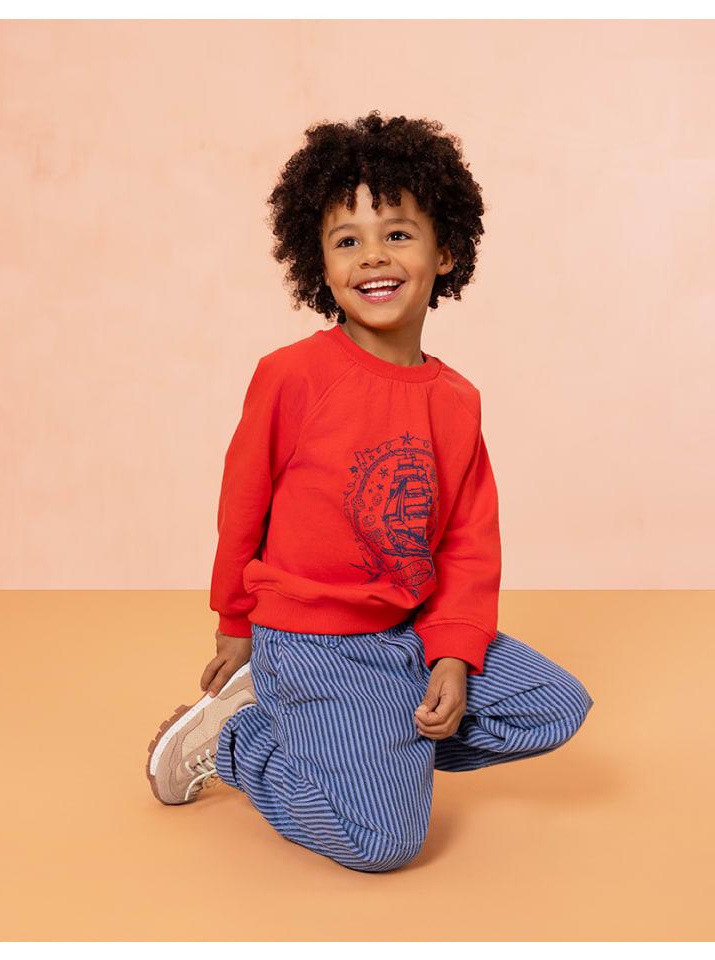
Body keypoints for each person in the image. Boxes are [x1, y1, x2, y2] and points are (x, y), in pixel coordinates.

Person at [145, 110, 594, 872]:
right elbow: (242, 506)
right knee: (382, 842)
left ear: (445, 250)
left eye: (398, 233)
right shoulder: (293, 376)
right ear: (319, 265)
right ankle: (239, 740)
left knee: (554, 705)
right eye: (347, 241)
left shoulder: (457, 401)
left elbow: (468, 544)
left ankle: (366, 743)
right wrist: (235, 621)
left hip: (407, 633)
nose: (373, 257)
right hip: (313, 641)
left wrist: (452, 655)